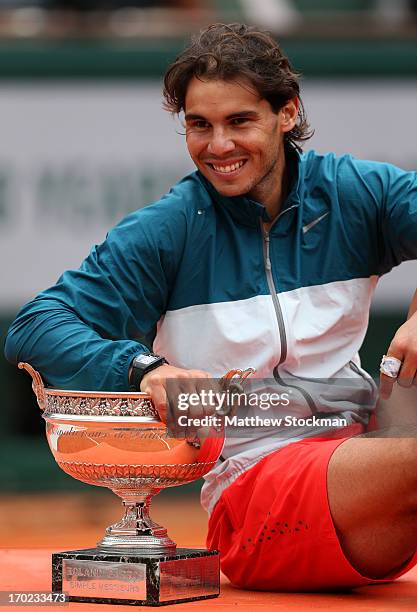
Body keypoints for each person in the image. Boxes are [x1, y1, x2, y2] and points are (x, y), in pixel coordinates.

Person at [5, 22, 417, 591]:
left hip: (367, 448)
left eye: (239, 121)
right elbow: (34, 327)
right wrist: (146, 369)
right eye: (199, 125)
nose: (218, 146)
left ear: (287, 113)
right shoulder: (170, 227)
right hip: (255, 496)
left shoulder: (355, 191)